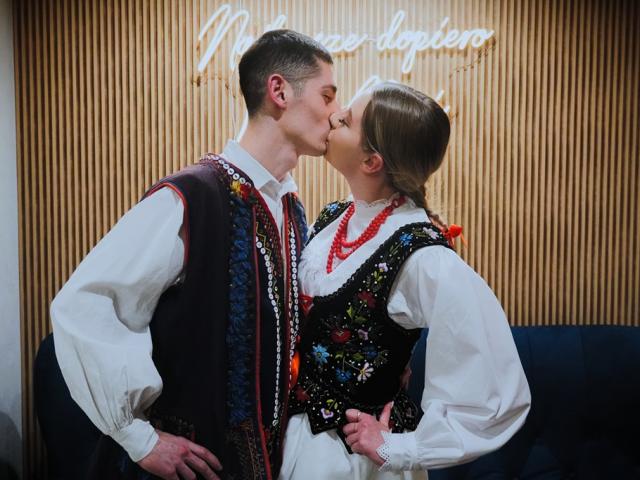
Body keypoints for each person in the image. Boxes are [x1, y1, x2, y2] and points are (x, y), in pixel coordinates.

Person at [50, 29, 339, 480]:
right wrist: (138, 438)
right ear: (279, 91)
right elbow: (85, 303)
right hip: (192, 466)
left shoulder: (289, 206)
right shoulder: (192, 195)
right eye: (327, 95)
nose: (335, 114)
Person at [279, 83, 531, 479]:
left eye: (346, 121)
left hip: (350, 459)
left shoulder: (423, 256)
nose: (333, 116)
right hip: (293, 435)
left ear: (371, 161)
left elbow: (494, 389)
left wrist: (402, 448)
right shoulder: (334, 217)